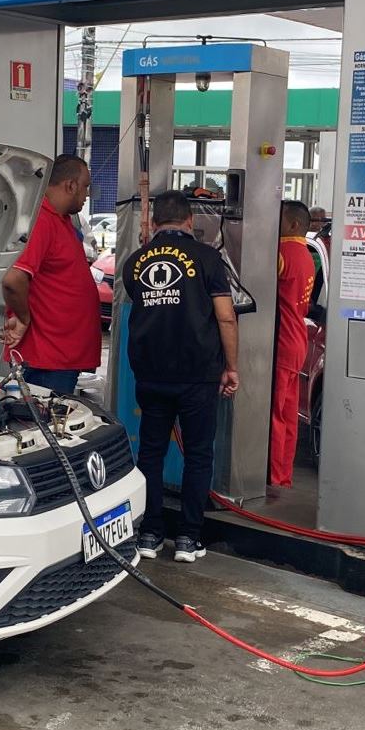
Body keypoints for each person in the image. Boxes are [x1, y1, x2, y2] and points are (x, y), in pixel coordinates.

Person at [124, 191, 240, 564]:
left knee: (151, 453)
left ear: (155, 223)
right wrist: (232, 366)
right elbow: (225, 316)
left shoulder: (134, 262)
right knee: (199, 455)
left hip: (151, 374)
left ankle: (149, 533)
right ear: (190, 221)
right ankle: (188, 538)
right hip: (198, 375)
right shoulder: (207, 258)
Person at [0, 155, 100, 395]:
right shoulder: (41, 221)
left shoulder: (61, 221)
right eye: (86, 186)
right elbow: (13, 278)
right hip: (47, 360)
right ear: (70, 185)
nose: (87, 194)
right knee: (45, 427)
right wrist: (23, 318)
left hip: (60, 357)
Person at [269, 200, 315, 492]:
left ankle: (273, 478)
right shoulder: (307, 255)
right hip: (298, 340)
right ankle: (284, 476)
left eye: (280, 219)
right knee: (289, 416)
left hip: (282, 342)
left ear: (294, 224)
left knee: (275, 415)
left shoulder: (282, 253)